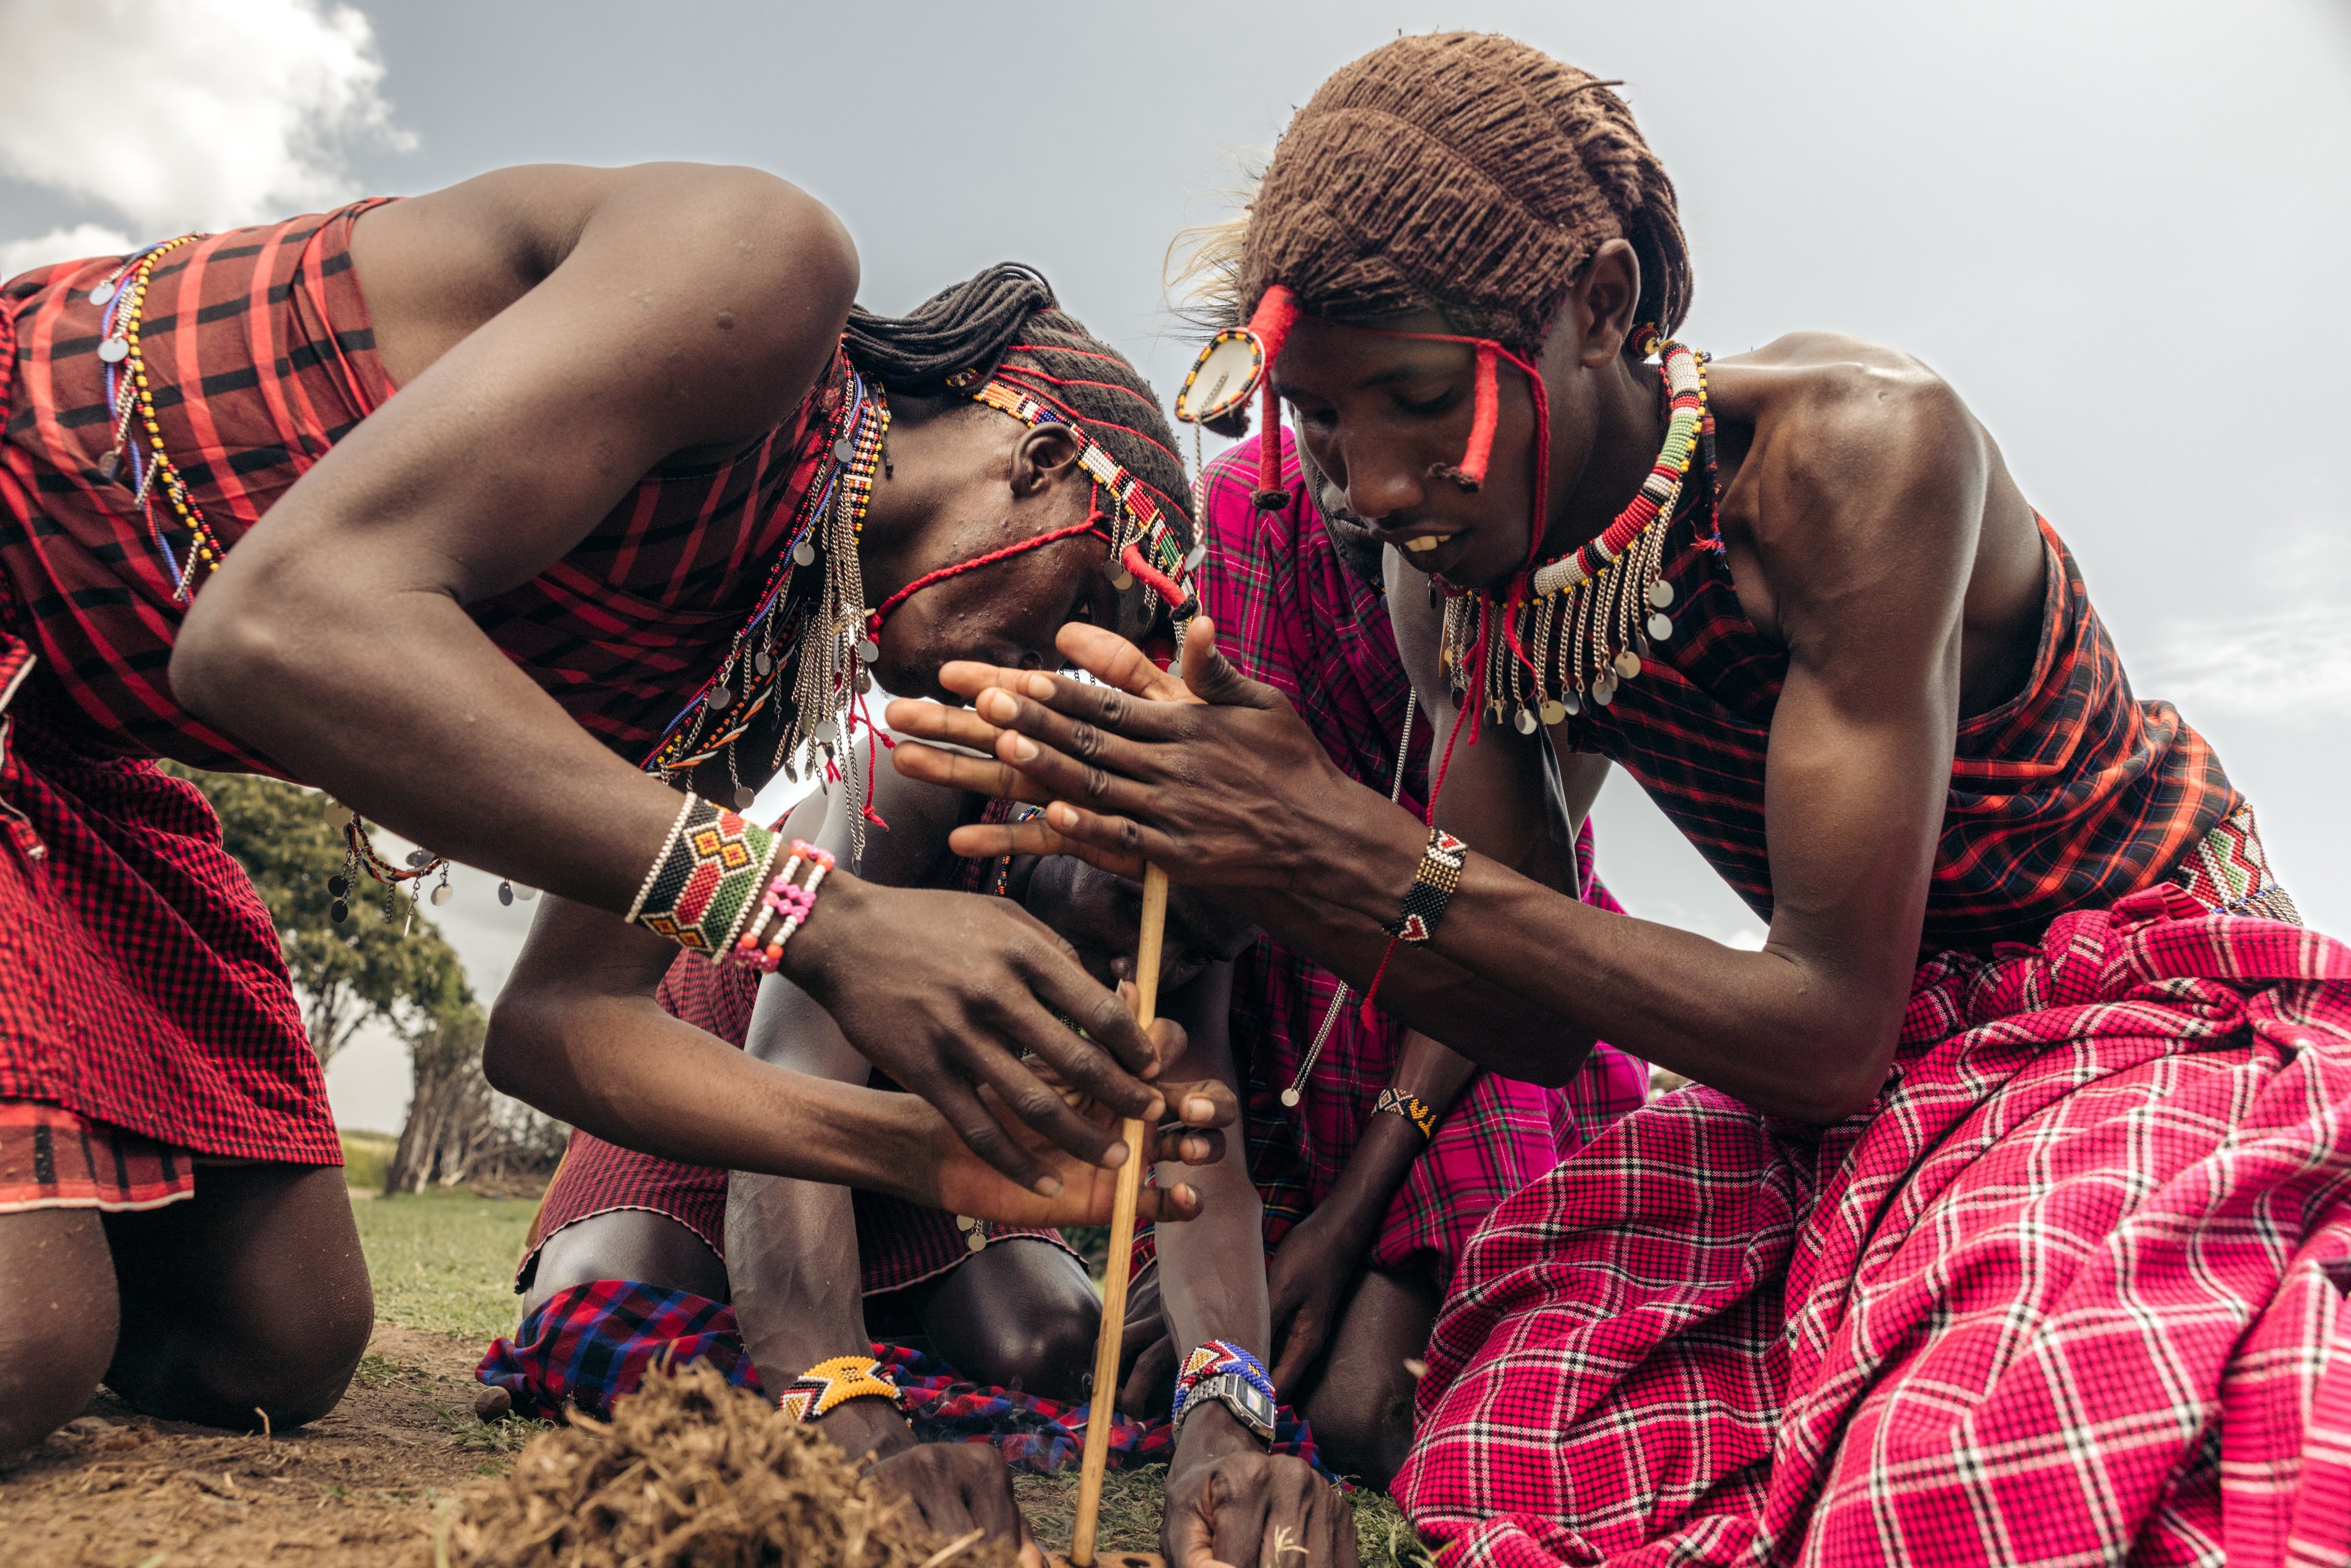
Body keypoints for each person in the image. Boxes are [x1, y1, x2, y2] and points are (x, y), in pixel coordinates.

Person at [889, 33, 2351, 1567]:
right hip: (1890, 1056)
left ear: (1596, 305)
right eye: (1319, 422)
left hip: (2133, 996)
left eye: (1415, 398)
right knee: (1511, 1418)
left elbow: (1825, 1034)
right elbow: (1520, 1014)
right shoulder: (1454, 575)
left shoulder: (1852, 457)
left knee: (1971, 1453)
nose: (1371, 488)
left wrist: (1342, 838)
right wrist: (1255, 859)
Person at [0, 167, 1234, 1463]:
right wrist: (825, 921)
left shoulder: (749, 673)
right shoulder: (762, 266)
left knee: (277, 1341)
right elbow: (270, 628)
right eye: (1092, 603)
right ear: (1043, 460)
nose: (1052, 675)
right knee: (33, 1337)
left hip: (67, 757)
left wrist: (916, 1151)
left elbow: (559, 1022)